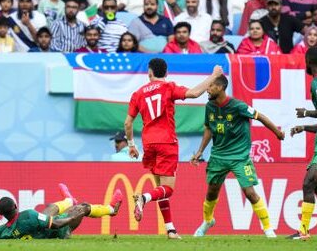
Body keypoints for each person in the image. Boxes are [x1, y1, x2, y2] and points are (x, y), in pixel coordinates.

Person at [125, 59, 223, 239]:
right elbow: (194, 94)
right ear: (167, 72)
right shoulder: (169, 87)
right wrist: (214, 75)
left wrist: (131, 145)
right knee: (167, 189)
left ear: (149, 73)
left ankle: (170, 229)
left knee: (160, 189)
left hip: (148, 143)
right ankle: (143, 198)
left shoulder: (138, 93)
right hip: (166, 142)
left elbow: (128, 123)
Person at [191, 74, 284, 238]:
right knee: (212, 192)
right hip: (218, 156)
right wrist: (199, 151)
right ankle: (208, 221)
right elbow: (208, 128)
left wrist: (277, 132)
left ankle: (268, 228)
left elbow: (260, 116)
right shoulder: (209, 107)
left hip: (240, 156)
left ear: (220, 88)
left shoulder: (238, 106)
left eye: (210, 86)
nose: (207, 88)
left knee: (249, 192)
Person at [0, 186, 122, 240]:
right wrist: (74, 215)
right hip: (59, 232)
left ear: (2, 215)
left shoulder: (2, 232)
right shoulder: (28, 215)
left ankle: (68, 200)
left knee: (50, 208)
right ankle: (111, 210)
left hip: (40, 229)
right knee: (84, 207)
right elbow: (57, 223)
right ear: (15, 206)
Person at [287, 47, 317, 240]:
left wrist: (306, 115)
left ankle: (303, 231)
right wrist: (304, 127)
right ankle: (303, 231)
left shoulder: (315, 84)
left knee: (308, 183)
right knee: (312, 186)